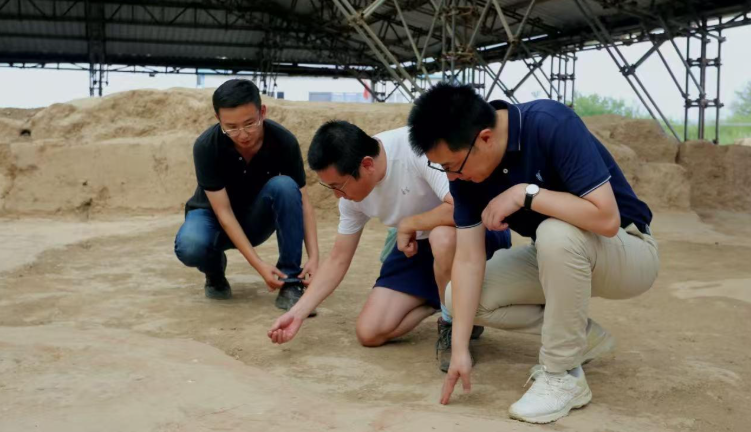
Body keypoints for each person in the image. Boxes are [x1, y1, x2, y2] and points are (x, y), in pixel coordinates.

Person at [407, 83, 659, 424]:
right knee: (458, 297)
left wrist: (524, 194)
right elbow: (467, 260)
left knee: (555, 232)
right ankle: (582, 338)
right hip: (556, 255)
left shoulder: (550, 124)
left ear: (485, 138)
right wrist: (460, 348)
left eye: (453, 166)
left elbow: (606, 219)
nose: (452, 177)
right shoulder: (465, 170)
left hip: (628, 250)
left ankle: (562, 376)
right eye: (443, 168)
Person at [267, 120, 511, 369]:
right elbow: (338, 259)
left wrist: (410, 224)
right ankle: (441, 300)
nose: (337, 195)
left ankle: (454, 323)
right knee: (369, 332)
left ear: (367, 165)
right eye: (329, 187)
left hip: (473, 236)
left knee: (442, 237)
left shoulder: (416, 149)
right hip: (417, 246)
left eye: (338, 186)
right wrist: (297, 313)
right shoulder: (350, 196)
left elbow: (466, 209)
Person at [174, 79, 319, 311]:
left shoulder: (284, 142)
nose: (242, 135)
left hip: (255, 220)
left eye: (250, 123)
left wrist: (314, 257)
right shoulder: (206, 146)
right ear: (218, 119)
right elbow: (223, 213)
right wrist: (259, 265)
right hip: (213, 219)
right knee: (191, 245)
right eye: (231, 127)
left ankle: (291, 281)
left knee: (285, 186)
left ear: (263, 112)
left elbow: (304, 203)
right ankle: (214, 271)